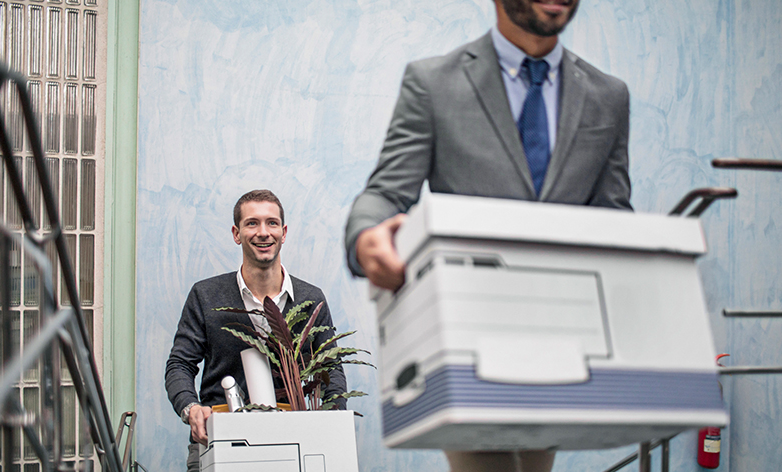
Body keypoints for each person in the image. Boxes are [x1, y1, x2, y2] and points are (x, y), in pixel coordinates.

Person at [344, 0, 632, 470]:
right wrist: (366, 235)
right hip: (465, 334)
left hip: (562, 335)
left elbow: (613, 213)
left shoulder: (609, 95)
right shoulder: (433, 83)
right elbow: (384, 193)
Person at [166, 189, 347, 472]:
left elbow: (332, 368)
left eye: (272, 223)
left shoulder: (312, 298)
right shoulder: (205, 295)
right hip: (219, 437)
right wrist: (191, 408)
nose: (263, 232)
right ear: (237, 234)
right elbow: (179, 364)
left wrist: (329, 419)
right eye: (252, 223)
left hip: (291, 439)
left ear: (283, 232)